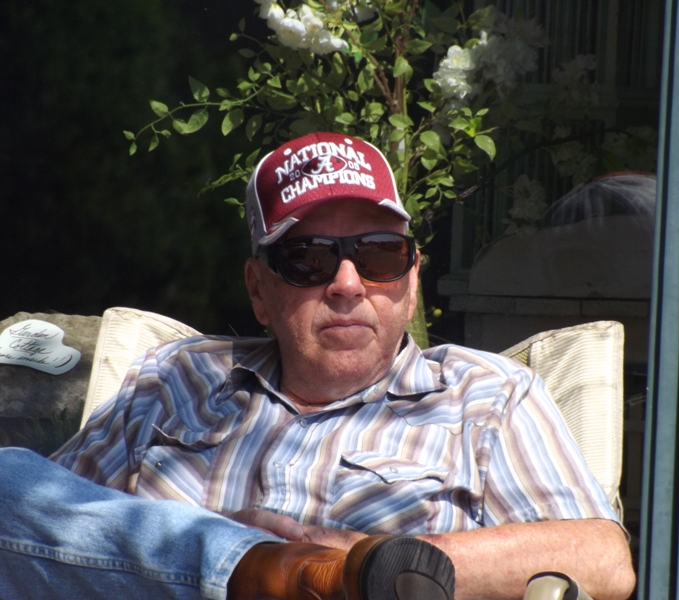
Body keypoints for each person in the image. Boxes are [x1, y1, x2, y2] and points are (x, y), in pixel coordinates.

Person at [0, 132, 635, 600]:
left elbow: (603, 560)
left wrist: (369, 557)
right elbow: (41, 530)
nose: (349, 284)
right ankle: (277, 574)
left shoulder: (487, 396)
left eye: (380, 254)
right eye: (308, 259)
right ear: (258, 290)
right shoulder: (177, 378)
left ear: (412, 281)